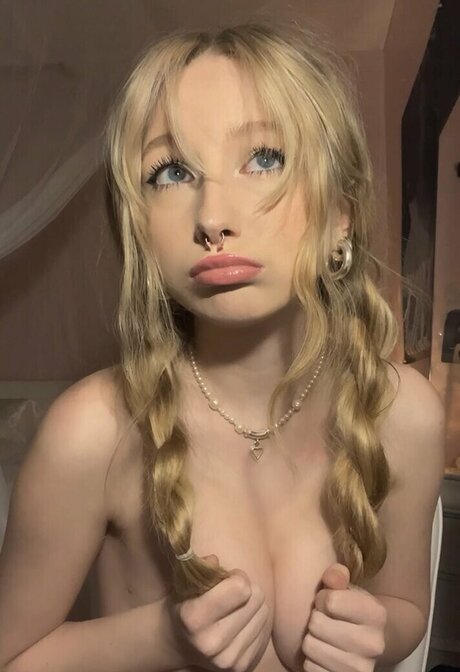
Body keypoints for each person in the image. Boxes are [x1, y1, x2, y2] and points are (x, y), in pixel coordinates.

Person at [0, 19, 445, 672]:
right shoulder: (92, 432)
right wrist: (160, 640)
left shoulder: (405, 415)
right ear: (140, 227)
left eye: (264, 159)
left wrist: (378, 634)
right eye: (171, 171)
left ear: (341, 216)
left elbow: (405, 606)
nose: (211, 218)